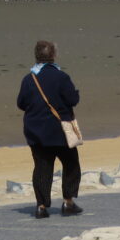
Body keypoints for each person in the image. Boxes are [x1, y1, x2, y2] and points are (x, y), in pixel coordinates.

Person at [16, 40, 82, 219]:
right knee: (71, 164)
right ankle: (68, 202)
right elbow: (72, 99)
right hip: (60, 131)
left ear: (36, 56)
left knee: (42, 168)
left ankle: (41, 206)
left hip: (36, 130)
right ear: (53, 56)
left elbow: (21, 103)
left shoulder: (29, 79)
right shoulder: (61, 77)